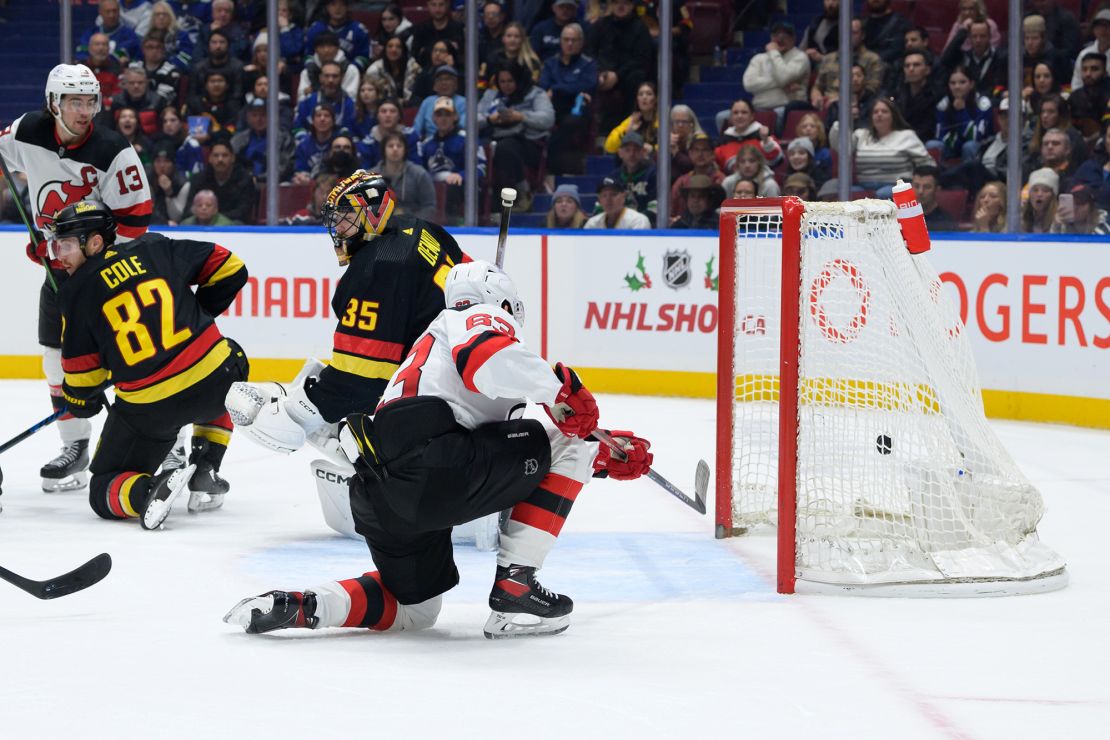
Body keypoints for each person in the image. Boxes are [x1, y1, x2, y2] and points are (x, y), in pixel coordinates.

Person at [224, 259, 652, 638]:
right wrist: (561, 391)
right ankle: (516, 583)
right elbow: (488, 363)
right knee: (568, 439)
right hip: (434, 464)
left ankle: (306, 606)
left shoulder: (429, 350)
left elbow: (503, 447)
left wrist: (601, 456)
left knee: (415, 610)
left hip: (380, 493)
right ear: (505, 305)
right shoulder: (477, 316)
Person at [223, 171, 467, 530]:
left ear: (373, 211)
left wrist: (303, 407)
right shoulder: (423, 229)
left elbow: (362, 377)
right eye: (335, 217)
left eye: (346, 214)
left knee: (289, 424)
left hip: (432, 405)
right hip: (468, 378)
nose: (338, 225)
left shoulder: (377, 268)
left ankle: (391, 478)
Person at [0, 64, 152, 494]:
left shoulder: (112, 149)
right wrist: (58, 254)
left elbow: (137, 220)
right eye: (74, 102)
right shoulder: (28, 130)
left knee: (137, 357)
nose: (85, 110)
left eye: (90, 101)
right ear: (54, 104)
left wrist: (86, 258)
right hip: (59, 273)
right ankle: (75, 445)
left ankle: (171, 442)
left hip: (109, 275)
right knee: (55, 356)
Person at [50, 200, 247, 528]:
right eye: (58, 246)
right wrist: (198, 318)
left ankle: (146, 492)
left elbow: (83, 382)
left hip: (152, 410)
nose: (60, 256)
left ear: (96, 242)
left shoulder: (75, 292)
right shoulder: (155, 246)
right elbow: (230, 266)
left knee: (103, 488)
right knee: (230, 358)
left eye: (67, 245)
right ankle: (206, 465)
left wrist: (78, 399)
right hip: (215, 382)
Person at [478, 61, 555, 212]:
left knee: (505, 148)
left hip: (528, 142)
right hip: (494, 137)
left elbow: (547, 118)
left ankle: (523, 193)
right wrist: (489, 119)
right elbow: (471, 119)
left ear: (519, 79)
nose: (506, 85)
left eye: (510, 81)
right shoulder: (491, 95)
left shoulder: (535, 94)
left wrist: (521, 116)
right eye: (502, 81)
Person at [831, 98, 932, 197]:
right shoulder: (862, 135)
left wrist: (916, 182)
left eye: (884, 111)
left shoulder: (907, 136)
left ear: (893, 116)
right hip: (864, 186)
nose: (879, 114)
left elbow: (926, 163)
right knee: (842, 193)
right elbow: (841, 147)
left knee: (882, 194)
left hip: (896, 186)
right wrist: (843, 120)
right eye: (875, 112)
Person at [586, 0, 654, 132]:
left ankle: (631, 128)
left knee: (637, 78)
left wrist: (617, 75)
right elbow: (589, 52)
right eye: (616, 2)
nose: (620, 6)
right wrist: (600, 72)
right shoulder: (600, 25)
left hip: (628, 75)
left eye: (625, 2)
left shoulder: (640, 28)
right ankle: (593, 132)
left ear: (632, 5)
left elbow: (641, 59)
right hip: (602, 72)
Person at [538, 21, 596, 176]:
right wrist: (567, 88)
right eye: (566, 39)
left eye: (574, 40)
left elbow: (586, 86)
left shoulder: (588, 64)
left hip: (577, 110)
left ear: (581, 42)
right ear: (560, 41)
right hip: (553, 108)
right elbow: (543, 85)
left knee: (569, 124)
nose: (569, 43)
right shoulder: (551, 64)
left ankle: (555, 168)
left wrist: (557, 88)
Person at [421, 96, 484, 222]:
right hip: (432, 186)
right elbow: (420, 170)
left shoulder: (468, 139)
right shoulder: (427, 144)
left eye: (448, 114)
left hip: (460, 188)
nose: (443, 118)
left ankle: (453, 227)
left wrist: (461, 175)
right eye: (439, 114)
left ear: (455, 116)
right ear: (433, 118)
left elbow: (481, 167)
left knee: (452, 189)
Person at [741, 21, 809, 116]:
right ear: (771, 38)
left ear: (793, 39)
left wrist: (774, 52)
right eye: (776, 35)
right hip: (758, 107)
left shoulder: (800, 57)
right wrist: (782, 83)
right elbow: (748, 84)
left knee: (780, 114)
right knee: (722, 117)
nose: (780, 39)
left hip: (786, 107)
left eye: (785, 36)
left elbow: (783, 78)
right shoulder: (758, 58)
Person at [184, 137, 256, 223]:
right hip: (202, 222)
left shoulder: (244, 179)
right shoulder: (199, 179)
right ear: (210, 158)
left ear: (233, 158)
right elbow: (189, 210)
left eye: (225, 155)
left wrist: (214, 217)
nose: (220, 159)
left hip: (232, 226)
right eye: (216, 155)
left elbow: (243, 212)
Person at [933, 65, 993, 162]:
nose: (957, 87)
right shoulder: (943, 104)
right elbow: (940, 136)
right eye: (953, 83)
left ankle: (970, 176)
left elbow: (976, 137)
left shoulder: (983, 103)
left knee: (969, 146)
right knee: (933, 145)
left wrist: (961, 111)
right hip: (952, 146)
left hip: (978, 147)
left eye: (962, 82)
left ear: (971, 84)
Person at [378, 132, 436, 220]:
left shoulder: (419, 174)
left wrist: (412, 223)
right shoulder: (371, 176)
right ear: (383, 150)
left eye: (399, 146)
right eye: (390, 146)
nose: (395, 149)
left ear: (405, 150)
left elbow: (429, 206)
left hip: (413, 228)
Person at [714, 98, 783, 173]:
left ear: (752, 116)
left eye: (744, 112)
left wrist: (766, 141)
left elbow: (776, 160)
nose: (739, 116)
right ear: (730, 117)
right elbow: (716, 167)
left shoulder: (764, 136)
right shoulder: (723, 141)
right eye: (735, 113)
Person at [304, 0, 372, 73]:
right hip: (319, 74)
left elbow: (363, 57)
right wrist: (313, 67)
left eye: (342, 4)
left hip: (348, 75)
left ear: (348, 7)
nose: (338, 8)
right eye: (333, 4)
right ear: (327, 7)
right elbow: (308, 55)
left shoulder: (359, 30)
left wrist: (350, 69)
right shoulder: (315, 29)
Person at [670, 132, 724, 218]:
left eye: (705, 150)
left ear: (713, 154)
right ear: (690, 154)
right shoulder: (681, 182)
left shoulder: (721, 180)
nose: (700, 154)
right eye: (696, 149)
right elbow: (672, 212)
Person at [411, 65, 467, 140]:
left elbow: (463, 126)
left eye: (448, 79)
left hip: (456, 141)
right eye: (440, 79)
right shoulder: (427, 102)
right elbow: (417, 128)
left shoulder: (465, 102)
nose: (444, 83)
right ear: (434, 86)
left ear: (456, 85)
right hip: (429, 145)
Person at [78, 0, 143, 64]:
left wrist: (97, 59)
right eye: (107, 11)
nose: (111, 15)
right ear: (100, 12)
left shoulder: (129, 35)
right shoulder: (91, 34)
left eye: (114, 11)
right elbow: (81, 54)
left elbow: (121, 55)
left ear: (119, 12)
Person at [603, 82, 659, 155]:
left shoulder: (662, 121)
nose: (644, 97)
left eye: (649, 94)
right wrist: (626, 132)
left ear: (655, 99)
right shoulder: (632, 120)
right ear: (637, 99)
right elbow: (609, 147)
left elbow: (670, 144)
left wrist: (653, 149)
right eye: (640, 94)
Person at [366, 35, 421, 106]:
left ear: (403, 50)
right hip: (384, 108)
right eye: (390, 46)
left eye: (398, 47)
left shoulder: (413, 67)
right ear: (385, 49)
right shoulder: (375, 70)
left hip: (411, 107)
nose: (394, 50)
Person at [410, 0, 465, 68]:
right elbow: (415, 56)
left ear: (447, 5)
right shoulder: (421, 29)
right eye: (433, 5)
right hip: (426, 73)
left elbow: (463, 55)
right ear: (428, 5)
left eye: (441, 5)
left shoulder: (458, 28)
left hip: (453, 72)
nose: (437, 9)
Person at [584, 176, 650, 229]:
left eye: (613, 194)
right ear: (599, 200)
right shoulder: (592, 223)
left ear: (624, 196)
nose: (608, 199)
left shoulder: (638, 220)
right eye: (604, 195)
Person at [1072, 10, 1110, 91]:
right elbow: (1077, 84)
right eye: (1100, 26)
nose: (1104, 30)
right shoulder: (1084, 54)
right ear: (1094, 30)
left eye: (1108, 26)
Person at [911, 166, 959, 231]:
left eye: (927, 187)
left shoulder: (946, 223)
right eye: (916, 186)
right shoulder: (901, 217)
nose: (920, 191)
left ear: (937, 190)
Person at [80, 32, 124, 100]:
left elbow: (119, 94)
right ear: (89, 48)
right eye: (97, 44)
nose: (101, 48)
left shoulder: (117, 69)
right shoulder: (79, 69)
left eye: (104, 44)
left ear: (109, 48)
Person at [1022, 167, 1058, 233]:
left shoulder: (1060, 220)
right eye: (1035, 190)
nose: (1039, 194)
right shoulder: (1020, 217)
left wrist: (1058, 226)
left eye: (1045, 190)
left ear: (1053, 195)